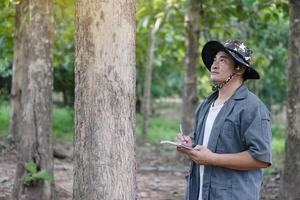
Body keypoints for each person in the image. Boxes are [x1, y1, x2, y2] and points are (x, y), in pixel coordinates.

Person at [177, 39, 272, 200]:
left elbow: (260, 158)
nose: (214, 65)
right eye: (214, 60)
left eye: (223, 60)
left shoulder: (252, 107)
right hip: (198, 193)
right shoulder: (206, 105)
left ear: (239, 68)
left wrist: (213, 159)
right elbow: (202, 141)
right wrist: (188, 144)